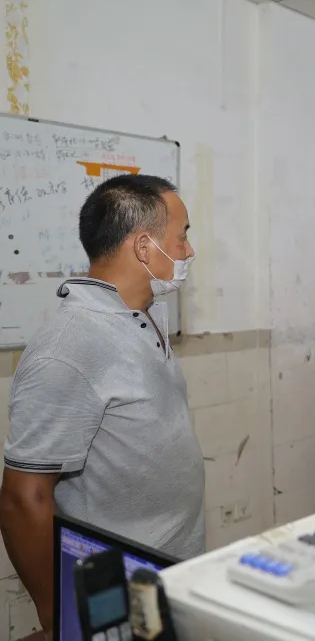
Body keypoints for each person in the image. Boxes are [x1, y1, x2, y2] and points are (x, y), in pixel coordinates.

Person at [0, 174, 204, 636]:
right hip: (117, 591)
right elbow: (22, 499)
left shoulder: (142, 318)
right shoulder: (70, 347)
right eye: (182, 236)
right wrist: (59, 615)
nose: (189, 250)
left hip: (170, 571)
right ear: (145, 247)